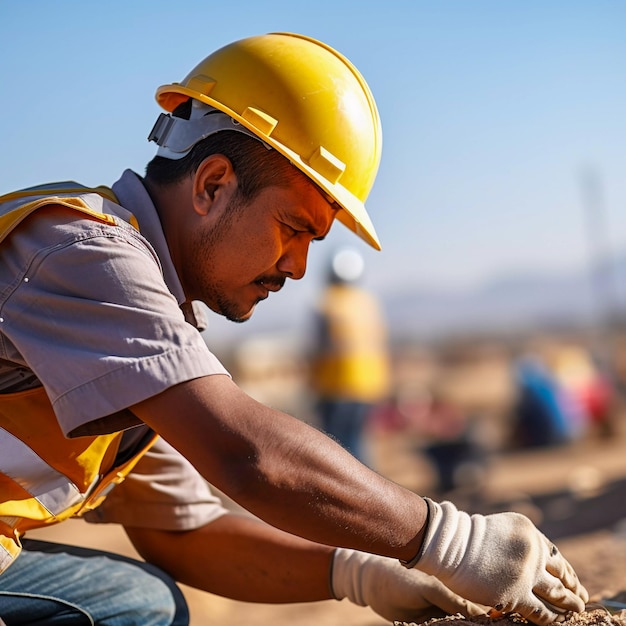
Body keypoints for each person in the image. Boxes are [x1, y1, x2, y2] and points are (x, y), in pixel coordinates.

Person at [0, 32, 587, 625]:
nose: (298, 267)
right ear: (212, 185)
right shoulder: (83, 252)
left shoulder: (139, 320)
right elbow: (245, 454)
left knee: (138, 600)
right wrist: (450, 542)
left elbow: (185, 531)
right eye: (291, 227)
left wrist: (359, 572)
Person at [310, 247, 391, 466]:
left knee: (339, 450)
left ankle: (359, 496)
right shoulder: (368, 303)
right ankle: (370, 490)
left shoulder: (326, 303)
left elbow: (318, 348)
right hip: (369, 386)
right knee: (358, 441)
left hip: (337, 385)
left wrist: (312, 383)